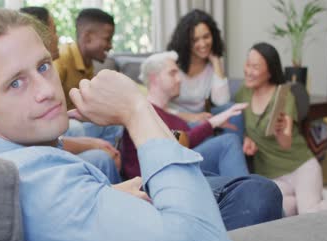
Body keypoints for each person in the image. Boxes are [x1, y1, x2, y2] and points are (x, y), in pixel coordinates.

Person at [0, 8, 232, 241]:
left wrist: (109, 194)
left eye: (43, 67)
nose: (47, 90)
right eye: (15, 83)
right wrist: (136, 110)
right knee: (254, 195)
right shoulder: (41, 184)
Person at [121, 51, 283, 230]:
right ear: (154, 78)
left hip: (185, 168)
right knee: (227, 142)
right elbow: (170, 146)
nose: (180, 79)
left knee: (229, 141)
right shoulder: (142, 112)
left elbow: (185, 141)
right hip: (153, 180)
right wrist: (214, 122)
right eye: (172, 73)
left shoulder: (176, 118)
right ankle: (247, 194)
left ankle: (247, 196)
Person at [235, 42, 327, 216]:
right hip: (272, 176)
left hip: (300, 166)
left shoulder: (284, 96)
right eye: (247, 64)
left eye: (255, 67)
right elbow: (240, 124)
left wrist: (280, 131)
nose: (248, 71)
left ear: (270, 71)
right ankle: (319, 195)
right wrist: (246, 138)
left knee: (309, 214)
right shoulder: (243, 93)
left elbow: (286, 143)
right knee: (283, 209)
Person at [20, 6, 121, 183]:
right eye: (54, 31)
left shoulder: (85, 64)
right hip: (62, 129)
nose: (58, 37)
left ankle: (113, 164)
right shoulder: (58, 65)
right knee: (78, 128)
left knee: (112, 123)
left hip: (61, 130)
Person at [167, 9, 243, 138]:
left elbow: (222, 102)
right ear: (186, 41)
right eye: (195, 40)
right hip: (173, 121)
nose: (202, 44)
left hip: (201, 118)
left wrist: (215, 61)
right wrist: (190, 117)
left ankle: (235, 147)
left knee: (233, 110)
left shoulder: (212, 65)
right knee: (196, 132)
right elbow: (156, 107)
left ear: (213, 36)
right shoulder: (171, 62)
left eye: (206, 37)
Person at [53, 7, 122, 146]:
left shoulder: (88, 64)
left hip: (76, 123)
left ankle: (109, 155)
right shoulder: (61, 60)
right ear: (87, 37)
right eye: (107, 39)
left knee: (115, 121)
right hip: (59, 127)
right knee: (76, 127)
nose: (110, 46)